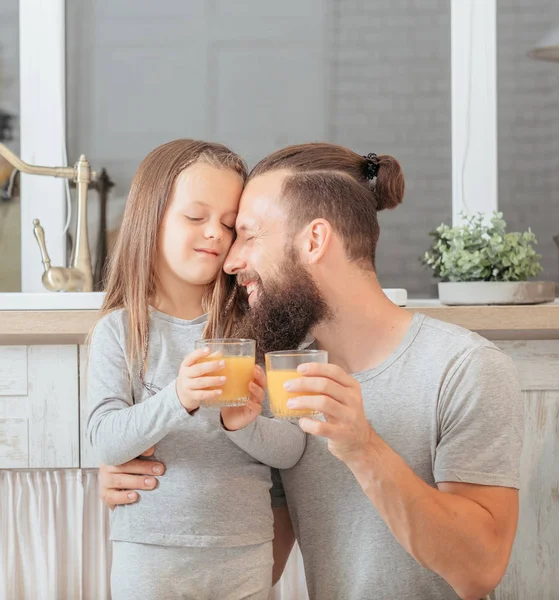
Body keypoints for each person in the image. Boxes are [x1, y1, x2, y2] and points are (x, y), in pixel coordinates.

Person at [100, 143, 523, 600]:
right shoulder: (279, 370)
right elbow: (261, 547)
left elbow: (480, 571)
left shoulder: (463, 369)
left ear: (314, 240)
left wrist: (363, 448)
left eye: (246, 234)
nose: (230, 259)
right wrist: (150, 484)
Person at [86, 139, 305, 600]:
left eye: (228, 224)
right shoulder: (119, 331)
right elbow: (106, 439)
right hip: (147, 554)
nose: (215, 234)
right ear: (152, 215)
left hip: (244, 551)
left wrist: (241, 425)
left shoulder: (256, 327)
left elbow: (291, 448)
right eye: (195, 217)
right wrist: (177, 398)